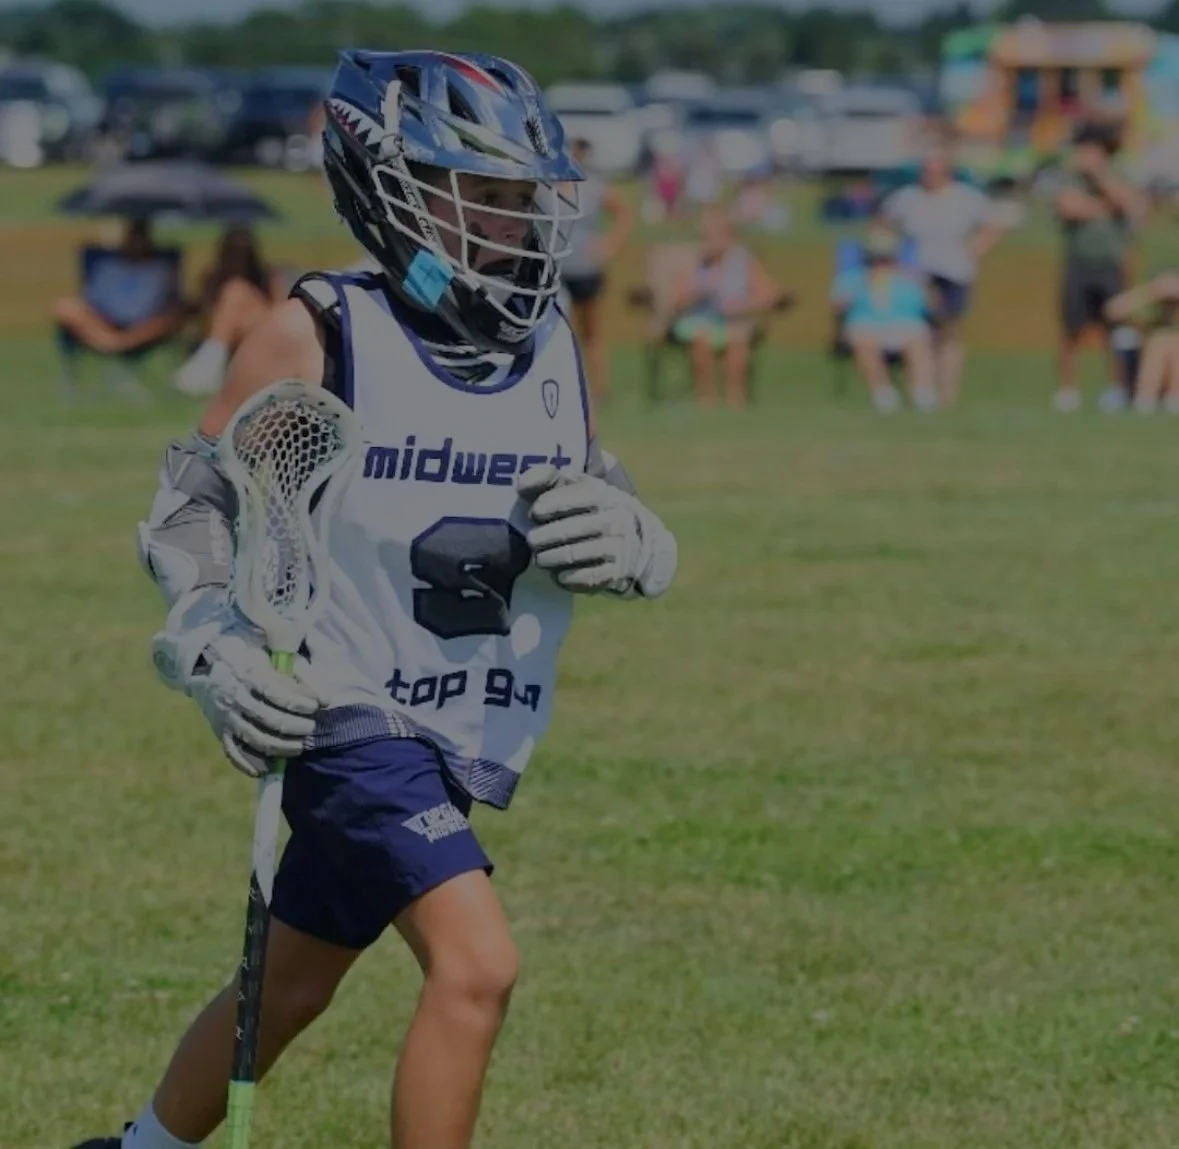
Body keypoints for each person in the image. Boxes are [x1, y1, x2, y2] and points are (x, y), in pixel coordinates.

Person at [70, 48, 678, 1149]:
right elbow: (190, 506)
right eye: (482, 198)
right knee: (478, 967)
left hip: (455, 715)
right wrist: (213, 650)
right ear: (391, 190)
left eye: (524, 202)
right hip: (346, 709)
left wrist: (640, 540)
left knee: (291, 987)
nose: (513, 226)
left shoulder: (544, 343)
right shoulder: (322, 331)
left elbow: (589, 483)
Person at [880, 145, 1010, 407]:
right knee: (918, 333)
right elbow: (882, 225)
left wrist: (974, 250)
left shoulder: (966, 198)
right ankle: (921, 390)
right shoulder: (907, 198)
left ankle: (947, 395)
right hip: (916, 275)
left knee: (949, 333)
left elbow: (995, 226)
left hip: (955, 273)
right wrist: (896, 258)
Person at [1053, 120, 1149, 412]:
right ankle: (1068, 392)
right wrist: (1106, 207)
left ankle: (1115, 389)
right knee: (1071, 329)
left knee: (1118, 330)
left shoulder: (1120, 175)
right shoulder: (1070, 178)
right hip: (1079, 262)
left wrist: (1100, 178)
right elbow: (1068, 208)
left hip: (1113, 265)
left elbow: (1131, 205)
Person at [667, 202, 786, 409]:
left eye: (714, 236)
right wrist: (694, 293)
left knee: (737, 338)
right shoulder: (696, 263)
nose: (709, 242)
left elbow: (771, 295)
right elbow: (676, 301)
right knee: (701, 337)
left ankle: (735, 400)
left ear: (729, 236)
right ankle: (706, 399)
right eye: (705, 237)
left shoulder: (744, 261)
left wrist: (742, 306)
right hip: (700, 320)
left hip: (734, 321)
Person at [560, 136, 634, 404]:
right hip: (555, 269)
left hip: (586, 268)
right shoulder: (546, 184)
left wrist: (610, 245)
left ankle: (600, 390)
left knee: (591, 331)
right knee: (557, 331)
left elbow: (624, 213)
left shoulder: (593, 187)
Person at [172, 224, 287, 397]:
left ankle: (209, 365)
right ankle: (212, 362)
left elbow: (281, 318)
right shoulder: (212, 278)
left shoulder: (267, 279)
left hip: (258, 341)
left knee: (236, 291)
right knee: (234, 292)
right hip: (224, 339)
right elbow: (199, 311)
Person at [830, 226, 936, 413]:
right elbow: (837, 306)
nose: (881, 263)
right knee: (863, 340)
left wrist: (916, 281)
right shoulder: (853, 277)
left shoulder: (910, 277)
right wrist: (862, 284)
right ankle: (883, 394)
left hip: (905, 325)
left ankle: (922, 394)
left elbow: (931, 305)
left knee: (917, 341)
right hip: (866, 325)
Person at [52, 217, 186, 357]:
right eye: (133, 238)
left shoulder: (162, 270)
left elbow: (171, 303)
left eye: (141, 239)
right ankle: (112, 342)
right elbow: (91, 299)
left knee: (175, 313)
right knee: (65, 307)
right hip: (104, 323)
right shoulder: (107, 267)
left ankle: (121, 343)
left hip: (146, 327)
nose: (137, 244)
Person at [1104, 270, 1179, 413]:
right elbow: (1112, 310)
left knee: (1171, 342)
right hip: (1150, 363)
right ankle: (1154, 396)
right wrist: (1151, 292)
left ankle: (1149, 396)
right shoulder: (1150, 310)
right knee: (1160, 340)